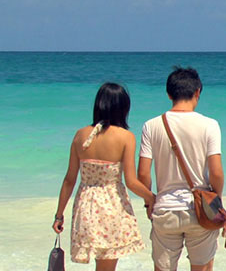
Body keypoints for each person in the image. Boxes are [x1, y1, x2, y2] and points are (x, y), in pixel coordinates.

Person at [53, 83, 155, 271]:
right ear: (123, 108)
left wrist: (59, 216)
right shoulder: (125, 137)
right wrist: (152, 198)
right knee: (106, 267)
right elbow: (131, 182)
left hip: (85, 206)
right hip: (111, 206)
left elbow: (69, 180)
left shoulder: (80, 135)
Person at [137, 67, 224, 271]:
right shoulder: (209, 125)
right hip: (199, 210)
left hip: (165, 208)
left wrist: (149, 201)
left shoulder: (151, 125)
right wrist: (215, 200)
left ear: (169, 94)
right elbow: (216, 173)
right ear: (197, 92)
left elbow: (143, 173)